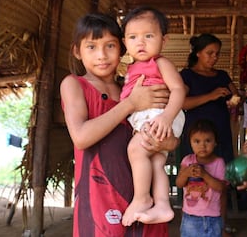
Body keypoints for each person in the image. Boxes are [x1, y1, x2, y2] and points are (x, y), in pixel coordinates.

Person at [60, 12, 178, 237]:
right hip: (99, 199)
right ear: (77, 50)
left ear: (122, 48)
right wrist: (131, 103)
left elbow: (169, 131)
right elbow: (81, 137)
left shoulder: (136, 86)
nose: (102, 55)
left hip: (144, 199)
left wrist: (169, 140)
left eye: (110, 46)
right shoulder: (74, 85)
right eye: (91, 47)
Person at [119, 6, 186, 226]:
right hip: (151, 116)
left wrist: (167, 117)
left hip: (160, 114)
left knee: (135, 149)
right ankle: (162, 204)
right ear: (125, 41)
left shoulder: (160, 63)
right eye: (133, 37)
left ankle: (141, 198)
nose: (141, 42)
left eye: (149, 36)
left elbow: (178, 90)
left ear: (163, 40)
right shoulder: (130, 69)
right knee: (156, 161)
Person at [180, 34, 240, 235]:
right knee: (193, 180)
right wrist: (211, 96)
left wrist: (235, 101)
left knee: (221, 181)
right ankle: (189, 223)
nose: (214, 57)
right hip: (196, 138)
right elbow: (182, 103)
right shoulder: (187, 75)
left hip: (220, 134)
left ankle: (220, 225)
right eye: (209, 53)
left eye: (217, 54)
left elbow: (235, 96)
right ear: (198, 53)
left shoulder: (222, 75)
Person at [176, 119, 227, 237]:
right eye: (197, 141)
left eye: (208, 141)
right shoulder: (187, 160)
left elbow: (221, 187)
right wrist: (186, 173)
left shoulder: (219, 162)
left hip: (213, 218)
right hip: (190, 218)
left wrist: (204, 175)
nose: (202, 146)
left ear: (215, 142)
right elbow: (179, 183)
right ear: (190, 143)